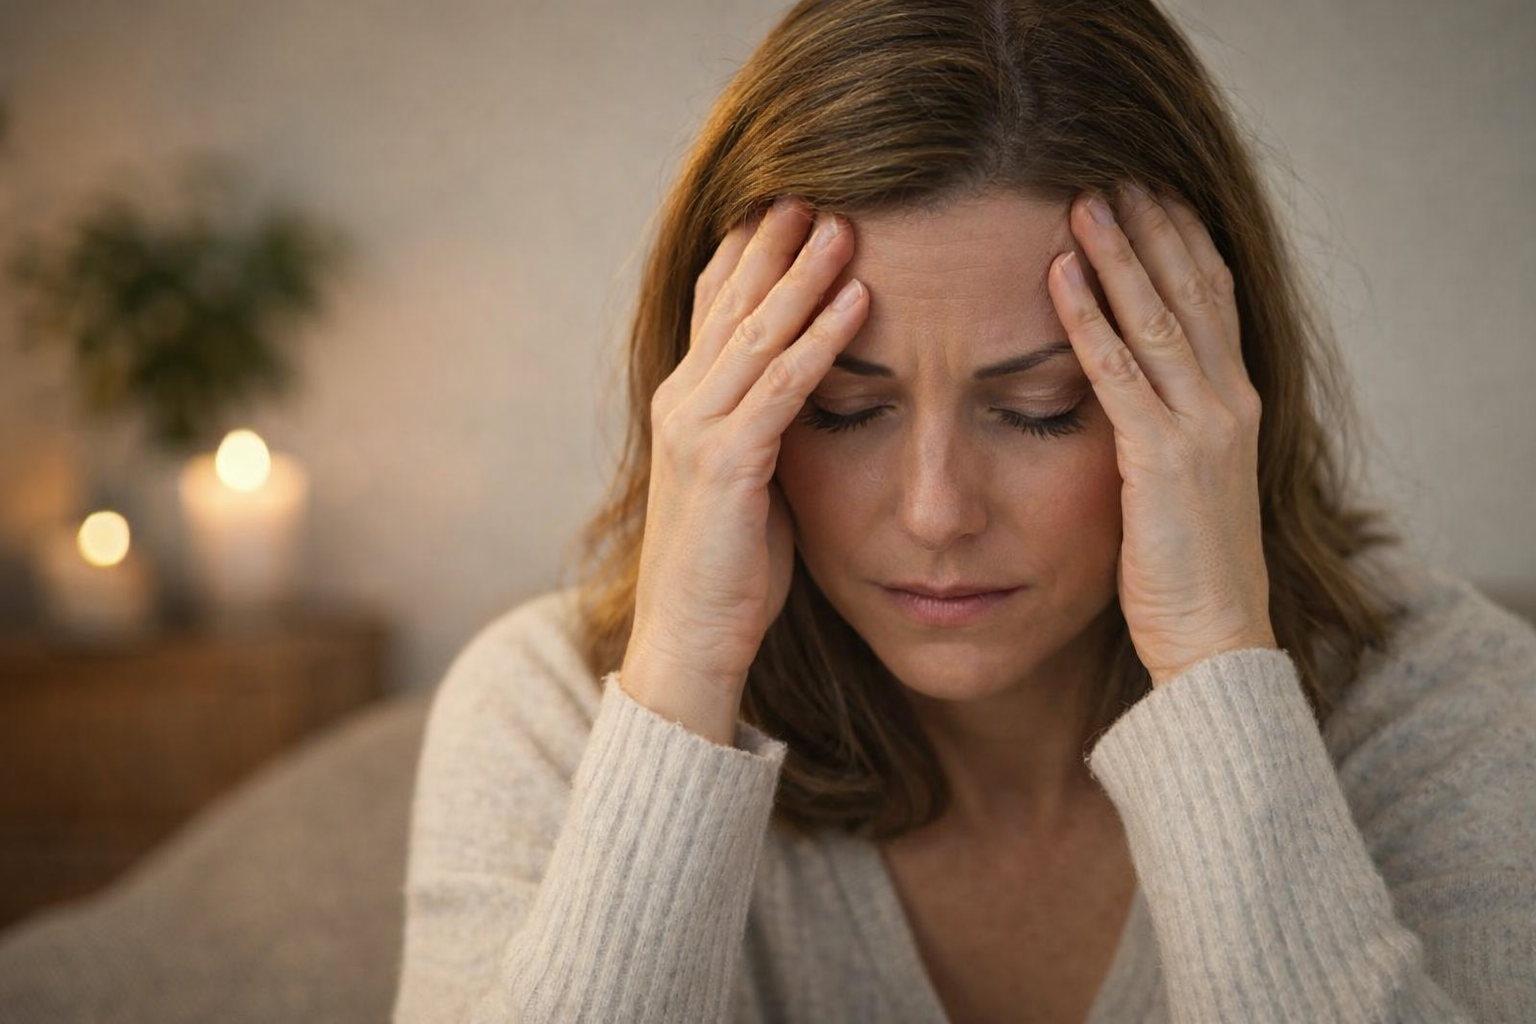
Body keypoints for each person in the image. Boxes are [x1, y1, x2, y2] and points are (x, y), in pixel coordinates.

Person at [391, 1, 1536, 1021]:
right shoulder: (542, 711)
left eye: (1043, 408)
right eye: (843, 408)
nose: (937, 511)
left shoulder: (1445, 710)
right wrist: (686, 673)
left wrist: (1215, 661)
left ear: (1215, 390)